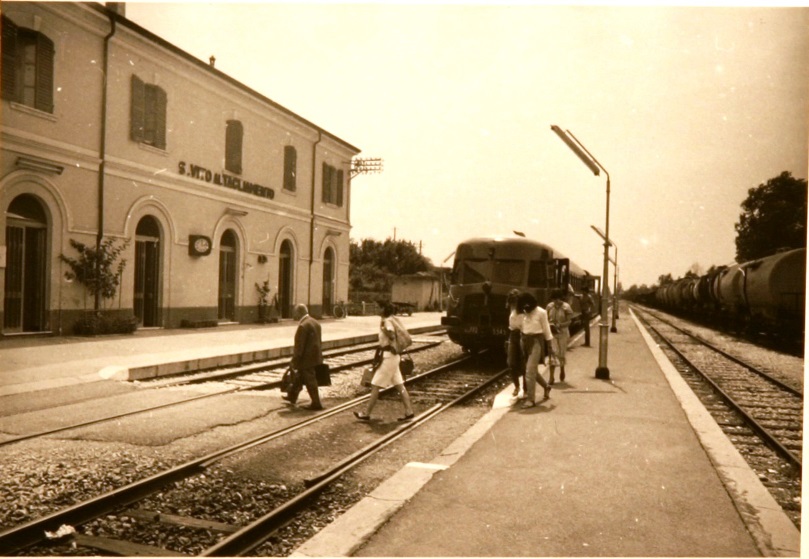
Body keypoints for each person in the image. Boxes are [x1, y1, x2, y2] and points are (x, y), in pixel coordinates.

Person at [354, 302, 415, 421]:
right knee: (399, 385)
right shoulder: (390, 319)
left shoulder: (386, 321)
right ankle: (409, 411)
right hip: (392, 357)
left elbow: (391, 335)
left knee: (375, 385)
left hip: (389, 358)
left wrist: (384, 329)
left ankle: (366, 414)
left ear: (383, 309)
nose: (377, 308)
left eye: (378, 307)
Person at [283, 303, 324, 410]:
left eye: (295, 312)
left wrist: (294, 361)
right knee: (299, 377)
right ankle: (292, 397)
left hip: (306, 359)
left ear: (299, 312)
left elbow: (299, 347)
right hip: (316, 356)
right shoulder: (315, 322)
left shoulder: (303, 326)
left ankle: (316, 403)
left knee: (310, 380)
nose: (294, 315)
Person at [517, 292, 555, 408]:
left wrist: (550, 346)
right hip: (525, 341)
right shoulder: (523, 312)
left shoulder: (541, 312)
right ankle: (546, 386)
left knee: (529, 371)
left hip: (536, 342)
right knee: (533, 371)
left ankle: (530, 399)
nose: (526, 309)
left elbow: (546, 329)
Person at [546, 289, 574, 384]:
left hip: (563, 333)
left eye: (557, 299)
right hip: (552, 333)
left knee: (561, 354)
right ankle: (551, 377)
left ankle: (562, 369)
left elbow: (569, 321)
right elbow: (546, 319)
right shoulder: (549, 307)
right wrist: (550, 325)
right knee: (553, 353)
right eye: (554, 300)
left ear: (561, 299)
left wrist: (561, 325)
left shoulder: (566, 307)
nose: (556, 302)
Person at [506, 289, 525, 398]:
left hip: (523, 335)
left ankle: (525, 387)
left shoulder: (524, 310)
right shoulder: (511, 308)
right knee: (511, 363)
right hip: (513, 335)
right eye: (512, 302)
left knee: (523, 363)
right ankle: (517, 386)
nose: (513, 304)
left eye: (515, 301)